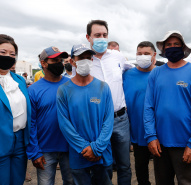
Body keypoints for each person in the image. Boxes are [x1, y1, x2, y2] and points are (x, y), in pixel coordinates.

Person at [144, 30, 191, 185]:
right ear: (163, 49)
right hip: (160, 145)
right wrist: (151, 136)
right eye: (169, 45)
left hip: (186, 144)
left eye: (176, 44)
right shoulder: (155, 74)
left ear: (183, 48)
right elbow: (148, 107)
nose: (172, 47)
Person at [57, 44, 114, 185]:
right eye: (81, 58)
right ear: (72, 61)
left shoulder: (103, 87)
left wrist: (97, 148)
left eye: (88, 57)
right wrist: (84, 148)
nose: (85, 61)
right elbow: (65, 125)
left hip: (102, 153)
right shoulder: (64, 90)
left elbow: (108, 121)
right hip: (79, 154)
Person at [86, 19, 132, 185]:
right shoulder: (84, 62)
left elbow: (133, 71)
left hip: (120, 119)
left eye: (105, 35)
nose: (102, 38)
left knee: (124, 165)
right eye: (97, 35)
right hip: (97, 121)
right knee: (103, 166)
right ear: (88, 37)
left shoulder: (118, 57)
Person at [26, 46, 74, 185]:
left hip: (69, 147)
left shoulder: (71, 85)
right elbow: (31, 123)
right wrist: (35, 152)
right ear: (43, 63)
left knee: (71, 182)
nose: (59, 63)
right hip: (45, 150)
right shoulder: (34, 90)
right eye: (55, 60)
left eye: (61, 60)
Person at [123, 41, 161, 185]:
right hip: (137, 132)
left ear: (154, 55)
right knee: (140, 167)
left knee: (162, 168)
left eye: (146, 54)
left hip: (159, 132)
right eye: (139, 54)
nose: (142, 56)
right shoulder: (127, 75)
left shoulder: (160, 73)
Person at [0, 34, 31, 185]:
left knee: (17, 181)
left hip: (20, 141)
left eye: (12, 54)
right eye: (3, 52)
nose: (8, 56)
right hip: (1, 140)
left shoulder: (19, 80)